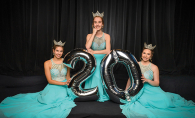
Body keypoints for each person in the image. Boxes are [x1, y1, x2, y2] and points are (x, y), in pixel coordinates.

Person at [0, 40, 77, 118]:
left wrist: (68, 82)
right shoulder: (47, 63)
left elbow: (67, 76)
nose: (59, 53)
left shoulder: (66, 62)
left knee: (61, 99)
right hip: (53, 85)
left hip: (64, 86)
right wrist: (63, 83)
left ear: (63, 52)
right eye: (57, 50)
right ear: (53, 50)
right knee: (48, 101)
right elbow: (49, 80)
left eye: (61, 51)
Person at [121, 42, 195, 118]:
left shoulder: (154, 67)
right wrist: (126, 90)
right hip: (140, 90)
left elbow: (157, 83)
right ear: (141, 54)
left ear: (151, 56)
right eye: (144, 53)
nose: (145, 55)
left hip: (151, 88)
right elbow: (130, 78)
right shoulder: (136, 65)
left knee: (165, 100)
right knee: (145, 101)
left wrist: (147, 80)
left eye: (148, 54)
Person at [85, 11, 111, 102]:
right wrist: (93, 33)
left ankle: (99, 93)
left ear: (102, 24)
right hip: (93, 60)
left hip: (103, 60)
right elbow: (87, 47)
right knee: (94, 69)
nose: (97, 24)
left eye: (99, 22)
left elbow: (108, 51)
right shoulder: (89, 35)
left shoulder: (107, 36)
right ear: (93, 24)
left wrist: (94, 52)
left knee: (98, 72)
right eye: (95, 22)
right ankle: (91, 93)